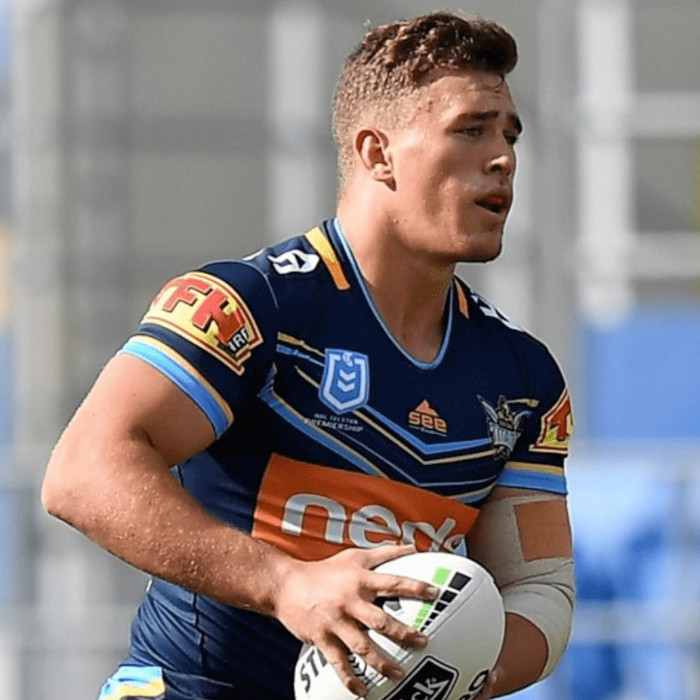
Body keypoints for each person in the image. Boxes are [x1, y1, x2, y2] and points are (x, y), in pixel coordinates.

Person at [42, 11, 576, 700]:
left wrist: (454, 674)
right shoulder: (251, 305)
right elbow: (81, 474)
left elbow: (539, 588)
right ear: (377, 154)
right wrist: (286, 584)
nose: (502, 157)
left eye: (509, 134)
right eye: (470, 130)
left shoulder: (523, 378)